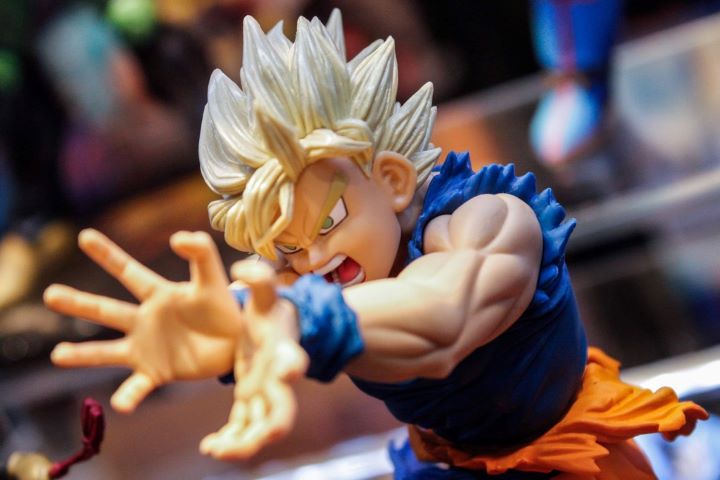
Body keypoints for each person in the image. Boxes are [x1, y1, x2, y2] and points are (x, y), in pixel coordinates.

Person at [44, 10, 707, 478]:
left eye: (327, 223)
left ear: (390, 178)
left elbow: (442, 317)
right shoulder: (310, 285)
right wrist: (238, 321)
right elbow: (284, 307)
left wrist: (295, 318)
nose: (314, 260)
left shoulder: (489, 221)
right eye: (289, 249)